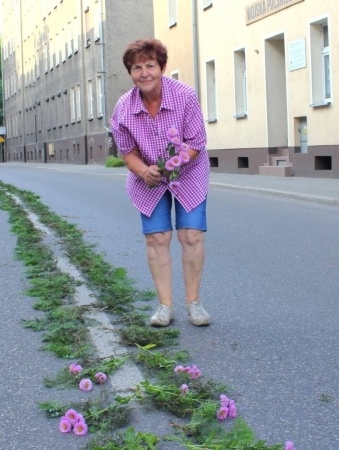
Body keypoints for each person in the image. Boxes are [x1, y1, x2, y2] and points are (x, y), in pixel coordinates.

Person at [111, 38, 211, 327]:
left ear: (162, 67)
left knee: (191, 236)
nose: (144, 73)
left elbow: (197, 142)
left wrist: (170, 166)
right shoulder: (124, 108)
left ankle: (194, 304)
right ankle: (165, 306)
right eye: (137, 68)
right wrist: (144, 171)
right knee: (156, 238)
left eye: (150, 66)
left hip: (188, 173)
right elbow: (127, 152)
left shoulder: (184, 96)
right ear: (130, 72)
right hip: (149, 178)